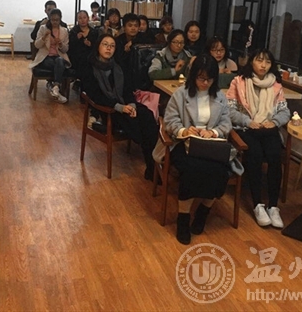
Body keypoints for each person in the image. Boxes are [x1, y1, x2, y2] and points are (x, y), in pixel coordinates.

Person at [164, 54, 233, 244]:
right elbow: (169, 121)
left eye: (209, 79)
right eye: (201, 78)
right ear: (193, 76)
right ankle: (183, 218)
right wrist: (184, 130)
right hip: (183, 142)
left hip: (210, 144)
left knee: (220, 170)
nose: (205, 83)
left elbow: (226, 123)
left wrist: (214, 132)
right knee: (192, 170)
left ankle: (203, 212)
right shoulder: (181, 94)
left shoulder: (220, 97)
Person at [226, 48, 290, 229]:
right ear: (251, 61)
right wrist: (247, 121)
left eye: (267, 62)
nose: (263, 65)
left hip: (268, 128)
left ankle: (273, 206)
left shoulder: (276, 85)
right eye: (259, 60)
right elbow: (229, 110)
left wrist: (275, 122)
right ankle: (257, 204)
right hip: (246, 128)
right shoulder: (238, 82)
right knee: (254, 154)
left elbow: (285, 111)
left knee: (274, 155)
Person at [80, 33, 158, 181]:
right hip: (107, 110)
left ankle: (154, 164)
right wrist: (120, 107)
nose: (108, 48)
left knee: (146, 114)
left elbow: (128, 90)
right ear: (98, 46)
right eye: (105, 44)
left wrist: (131, 105)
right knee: (138, 124)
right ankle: (153, 165)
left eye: (112, 46)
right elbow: (96, 95)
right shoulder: (89, 67)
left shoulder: (118, 66)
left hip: (124, 104)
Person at [30, 8, 71, 104]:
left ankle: (54, 87)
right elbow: (37, 45)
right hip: (46, 57)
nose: (55, 22)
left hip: (58, 57)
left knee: (59, 60)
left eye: (57, 20)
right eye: (52, 20)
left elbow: (65, 49)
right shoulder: (43, 28)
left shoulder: (64, 31)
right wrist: (43, 37)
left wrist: (60, 44)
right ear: (49, 19)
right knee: (59, 65)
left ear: (60, 19)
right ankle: (55, 88)